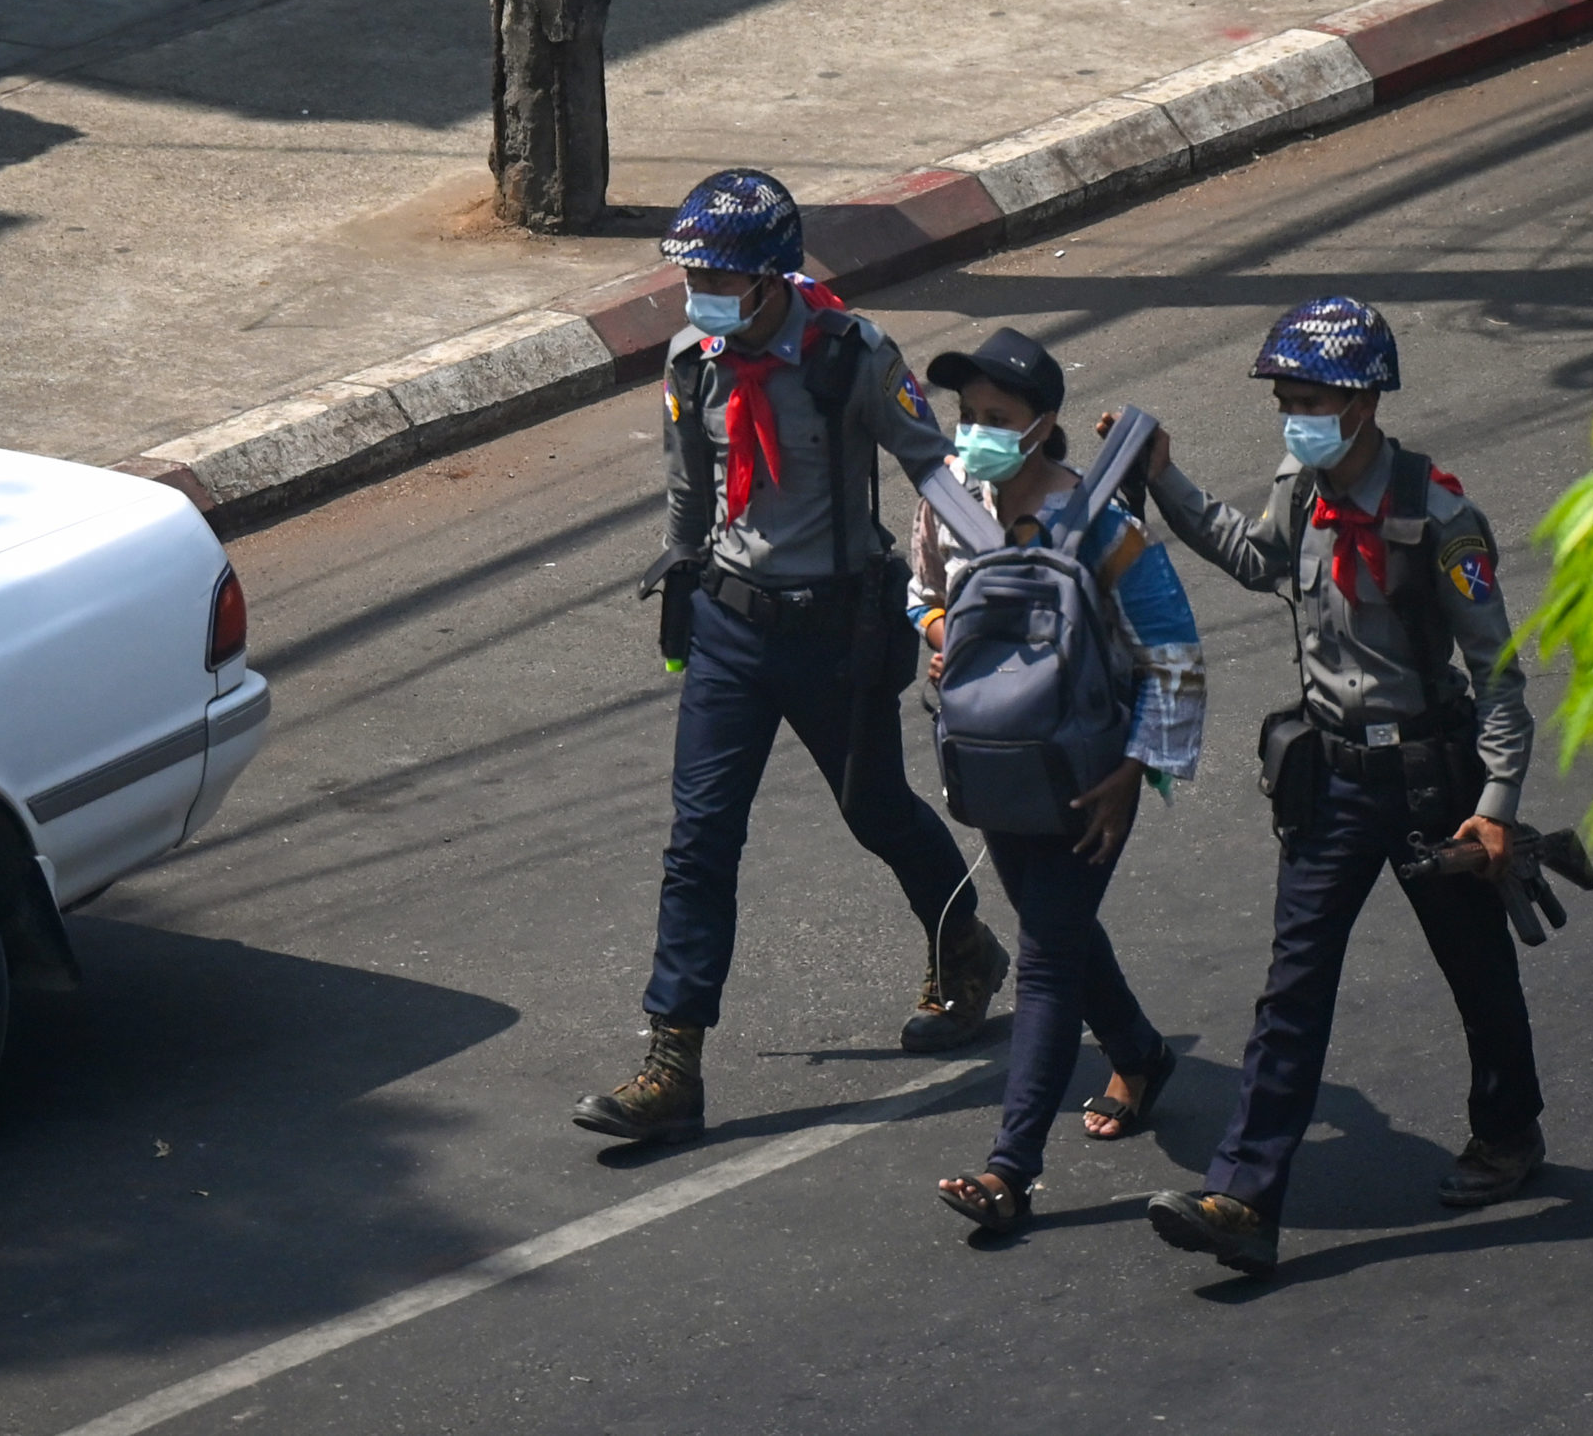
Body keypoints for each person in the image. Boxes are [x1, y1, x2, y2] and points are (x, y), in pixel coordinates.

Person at [573, 169, 1009, 1147]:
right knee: (699, 840)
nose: (704, 297)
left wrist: (992, 563)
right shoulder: (692, 361)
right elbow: (688, 490)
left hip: (835, 626)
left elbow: (927, 462)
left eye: (722, 279)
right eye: (694, 278)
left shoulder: (851, 355)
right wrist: (681, 579)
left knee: (878, 810)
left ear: (773, 280)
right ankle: (671, 1059)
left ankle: (965, 945)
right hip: (731, 625)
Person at [1129, 295, 1542, 1278]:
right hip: (1333, 776)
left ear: (1358, 403)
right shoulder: (1299, 487)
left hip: (1430, 777)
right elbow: (1252, 558)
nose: (1292, 415)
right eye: (1286, 399)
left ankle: (1508, 1131)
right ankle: (1244, 1195)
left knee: (1475, 966)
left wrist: (1494, 811)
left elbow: (1498, 676)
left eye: (1307, 398)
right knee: (1292, 988)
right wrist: (1166, 481)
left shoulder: (1440, 518)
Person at [909, 329, 1205, 1233]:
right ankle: (1140, 1054)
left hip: (1089, 775)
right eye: (967, 418)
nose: (975, 436)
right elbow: (916, 592)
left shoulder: (1104, 525)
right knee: (1056, 928)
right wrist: (935, 635)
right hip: (995, 771)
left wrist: (1137, 772)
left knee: (1043, 956)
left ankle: (1010, 1171)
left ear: (1041, 427)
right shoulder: (945, 509)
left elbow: (1177, 655)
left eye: (996, 420)